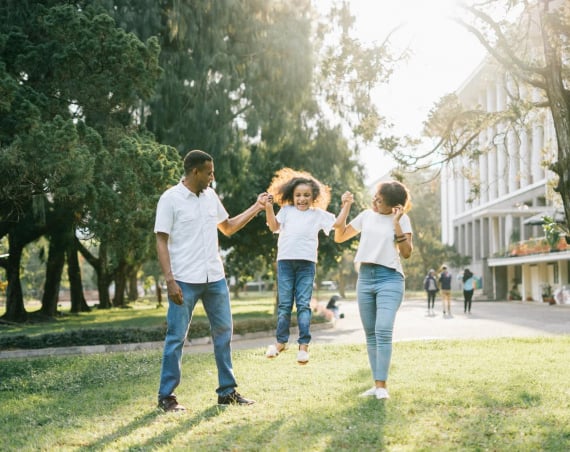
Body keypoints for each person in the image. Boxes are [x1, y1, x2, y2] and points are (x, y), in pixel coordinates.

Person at [154, 149, 270, 412]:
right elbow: (160, 239)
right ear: (195, 171)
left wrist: (257, 207)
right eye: (209, 172)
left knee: (223, 334)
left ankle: (227, 392)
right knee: (176, 337)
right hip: (184, 279)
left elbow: (227, 227)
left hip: (214, 278)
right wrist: (170, 280)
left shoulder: (210, 196)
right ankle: (166, 396)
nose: (212, 177)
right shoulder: (170, 199)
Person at [334, 180, 413, 400]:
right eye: (375, 197)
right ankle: (377, 385)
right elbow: (339, 237)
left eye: (380, 200)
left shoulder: (403, 219)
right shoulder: (366, 216)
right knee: (371, 334)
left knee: (383, 329)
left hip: (390, 278)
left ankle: (382, 387)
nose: (374, 202)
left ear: (394, 206)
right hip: (366, 278)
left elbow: (406, 252)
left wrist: (396, 223)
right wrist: (346, 207)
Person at [264, 168, 351, 364]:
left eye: (306, 195)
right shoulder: (286, 211)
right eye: (298, 195)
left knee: (303, 305)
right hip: (285, 262)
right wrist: (269, 207)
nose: (302, 199)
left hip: (306, 264)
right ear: (291, 196)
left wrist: (346, 205)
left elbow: (337, 223)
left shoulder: (317, 214)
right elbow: (274, 227)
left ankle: (303, 347)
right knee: (285, 305)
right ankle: (280, 343)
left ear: (314, 197)